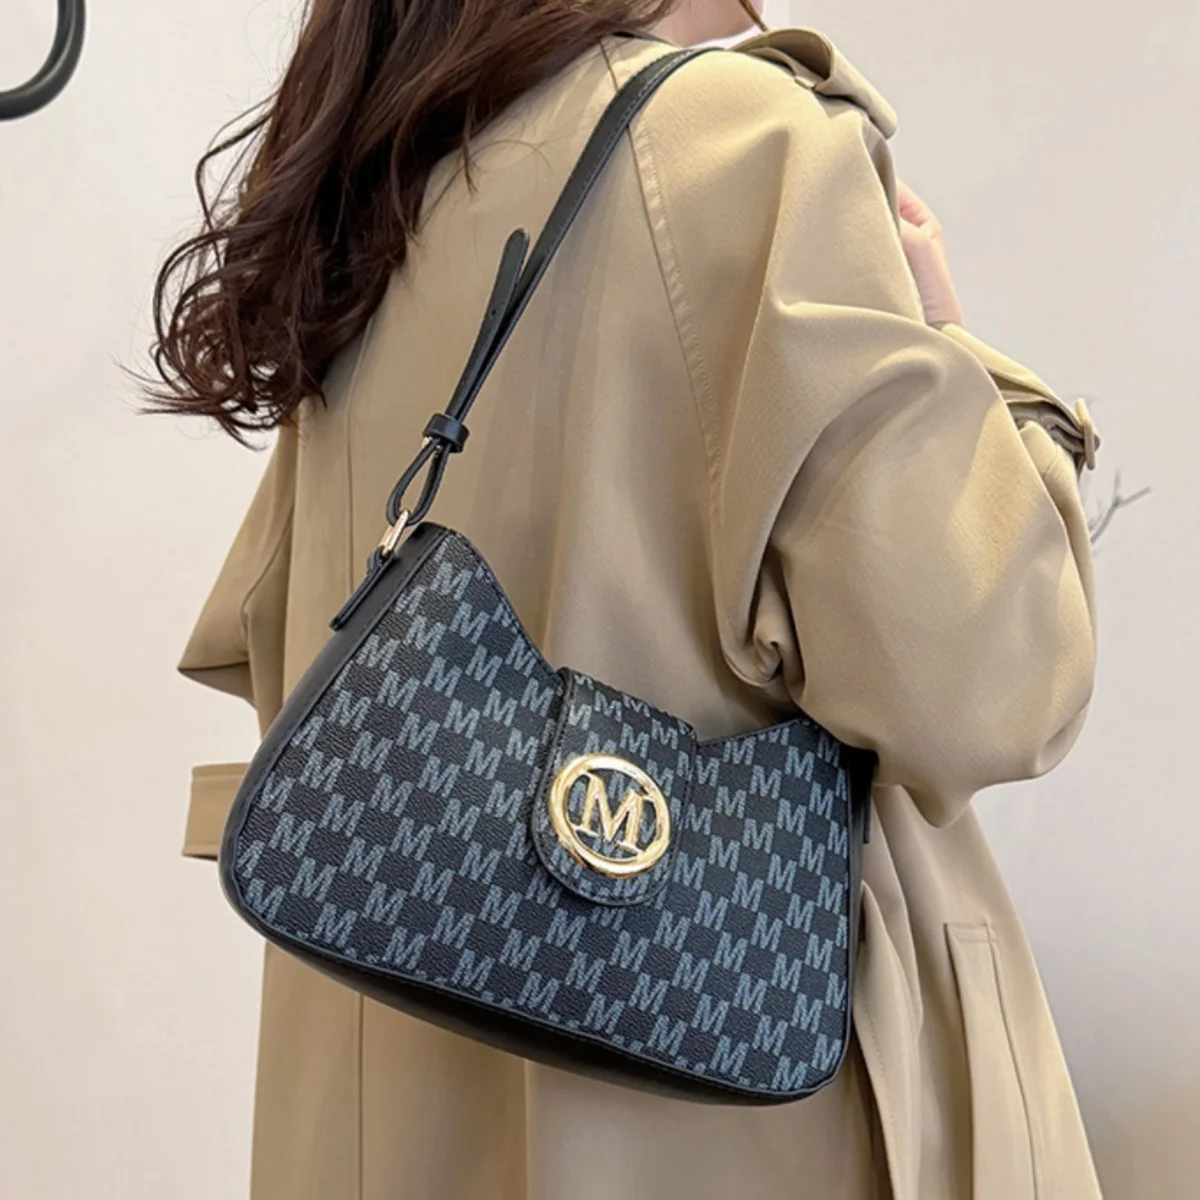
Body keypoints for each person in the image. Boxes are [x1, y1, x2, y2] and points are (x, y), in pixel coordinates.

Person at [148, 0, 1105, 1197]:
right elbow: (992, 686)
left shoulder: (385, 198)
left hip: (392, 1122)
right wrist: (966, 356)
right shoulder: (737, 139)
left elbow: (288, 664)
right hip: (736, 1117)